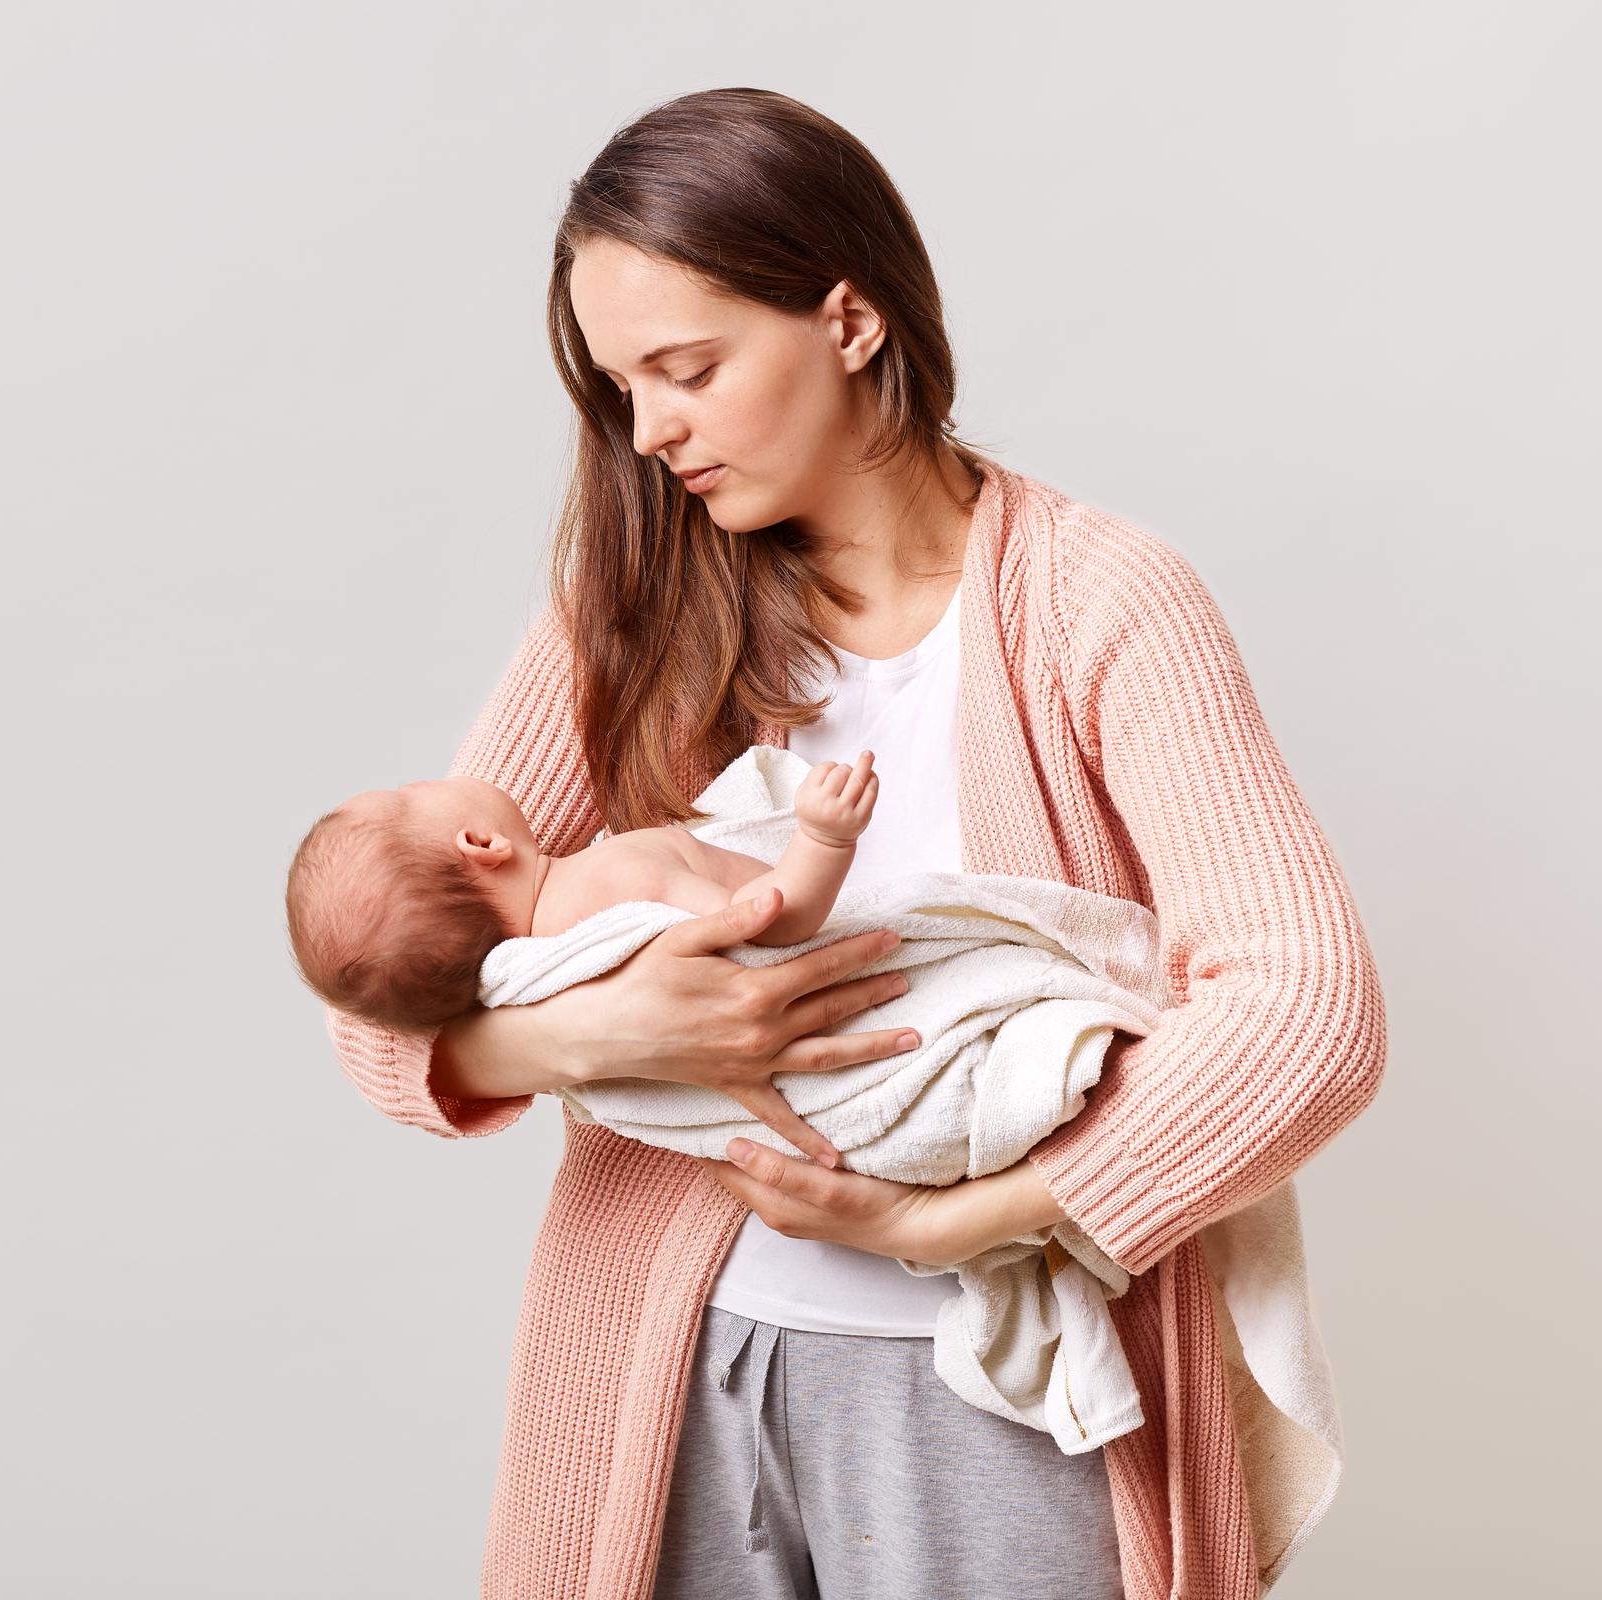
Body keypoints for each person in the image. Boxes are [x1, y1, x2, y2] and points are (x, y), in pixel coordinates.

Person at [318, 87, 1384, 1600]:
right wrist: (597, 1029)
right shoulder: (628, 618)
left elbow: (1308, 1011)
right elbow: (381, 1000)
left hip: (999, 1381)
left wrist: (960, 1219)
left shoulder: (1101, 606)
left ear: (850, 320)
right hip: (669, 1369)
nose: (650, 430)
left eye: (686, 369)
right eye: (620, 386)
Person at [284, 751, 881, 1054]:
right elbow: (768, 930)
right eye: (411, 791)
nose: (426, 777)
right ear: (483, 844)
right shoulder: (618, 876)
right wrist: (823, 840)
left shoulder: (542, 979)